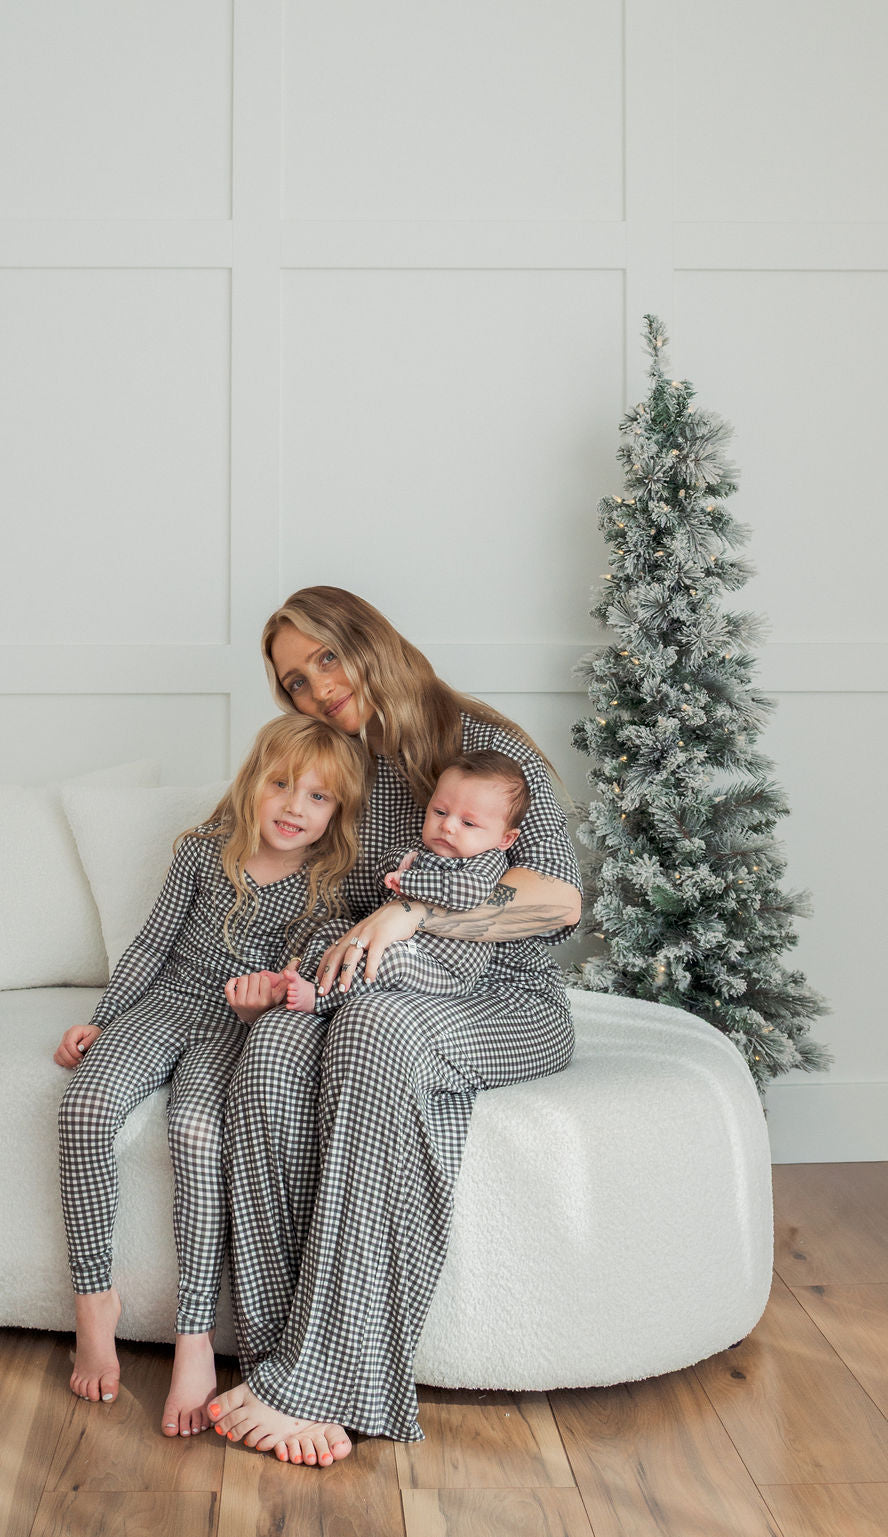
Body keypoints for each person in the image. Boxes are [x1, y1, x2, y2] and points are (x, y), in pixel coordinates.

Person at [209, 587, 582, 1466]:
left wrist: (417, 911)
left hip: (505, 1002)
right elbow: (334, 901)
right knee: (270, 1052)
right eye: (294, 682)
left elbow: (559, 902)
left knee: (376, 1032)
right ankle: (284, 1366)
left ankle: (331, 1371)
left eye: (326, 659)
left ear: (367, 641)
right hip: (375, 983)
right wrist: (286, 977)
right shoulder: (347, 769)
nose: (317, 689)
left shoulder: (485, 748)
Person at [53, 713, 365, 1447]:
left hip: (237, 1029)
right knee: (85, 1105)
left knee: (198, 1132)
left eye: (318, 798)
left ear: (338, 813)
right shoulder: (204, 853)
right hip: (168, 1001)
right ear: (254, 781)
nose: (294, 806)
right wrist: (102, 1018)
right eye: (282, 784)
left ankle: (194, 1334)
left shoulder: (329, 885)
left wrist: (268, 999)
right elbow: (152, 944)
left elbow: (310, 979)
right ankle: (94, 1302)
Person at [276, 749, 531, 1015]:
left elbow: (468, 891)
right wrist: (400, 860)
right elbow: (383, 875)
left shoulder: (486, 860)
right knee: (336, 930)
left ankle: (320, 1001)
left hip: (443, 968)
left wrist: (409, 880)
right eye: (440, 812)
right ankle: (297, 980)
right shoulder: (424, 848)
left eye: (468, 823)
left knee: (393, 960)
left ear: (506, 839)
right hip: (396, 941)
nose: (448, 826)